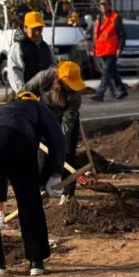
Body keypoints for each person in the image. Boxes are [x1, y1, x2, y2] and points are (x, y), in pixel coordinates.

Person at [0, 93, 66, 277]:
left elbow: (0, 170)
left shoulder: (1, 109)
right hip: (15, 137)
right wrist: (55, 174)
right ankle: (36, 262)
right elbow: (57, 141)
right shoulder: (40, 108)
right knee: (29, 199)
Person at [22, 60, 86, 199]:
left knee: (67, 153)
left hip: (65, 121)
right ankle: (39, 189)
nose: (73, 87)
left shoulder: (75, 95)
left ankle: (68, 194)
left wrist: (59, 145)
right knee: (41, 155)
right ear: (61, 80)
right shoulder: (44, 78)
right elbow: (24, 94)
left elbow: (67, 123)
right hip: (43, 119)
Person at [7, 11, 55, 94]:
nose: (37, 32)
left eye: (40, 28)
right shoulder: (18, 47)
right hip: (26, 95)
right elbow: (15, 72)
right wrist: (22, 92)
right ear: (25, 28)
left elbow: (53, 68)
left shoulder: (45, 47)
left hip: (45, 96)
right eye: (34, 29)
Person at [91, 0, 128, 102]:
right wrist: (93, 47)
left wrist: (120, 48)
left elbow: (122, 35)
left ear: (109, 6)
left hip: (112, 50)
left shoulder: (115, 17)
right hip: (101, 50)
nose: (103, 6)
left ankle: (100, 93)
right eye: (101, 4)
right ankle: (122, 90)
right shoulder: (99, 18)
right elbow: (96, 35)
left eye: (105, 4)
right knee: (112, 72)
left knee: (107, 71)